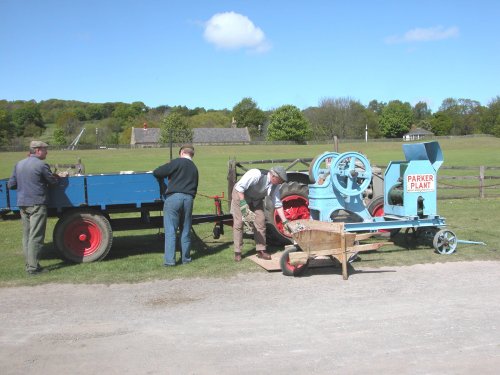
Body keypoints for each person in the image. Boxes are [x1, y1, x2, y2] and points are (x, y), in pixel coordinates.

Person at [8, 140, 59, 275]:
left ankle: (29, 264)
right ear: (37, 150)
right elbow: (52, 182)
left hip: (23, 204)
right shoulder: (41, 165)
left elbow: (11, 185)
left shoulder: (19, 164)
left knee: (27, 235)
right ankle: (33, 268)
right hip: (37, 203)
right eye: (45, 149)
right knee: (36, 236)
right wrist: (58, 177)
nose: (46, 152)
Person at [231, 166, 292, 262]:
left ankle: (261, 250)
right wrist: (243, 205)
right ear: (273, 176)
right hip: (240, 195)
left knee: (261, 220)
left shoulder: (275, 185)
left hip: (256, 199)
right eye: (280, 180)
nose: (281, 183)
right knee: (239, 223)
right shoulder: (255, 174)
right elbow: (240, 188)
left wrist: (285, 221)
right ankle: (238, 252)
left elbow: (277, 203)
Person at [153, 144, 199, 266]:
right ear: (191, 154)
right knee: (185, 230)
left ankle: (169, 261)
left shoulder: (177, 162)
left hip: (174, 198)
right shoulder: (195, 168)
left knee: (170, 230)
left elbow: (157, 172)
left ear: (182, 153)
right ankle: (186, 259)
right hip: (189, 199)